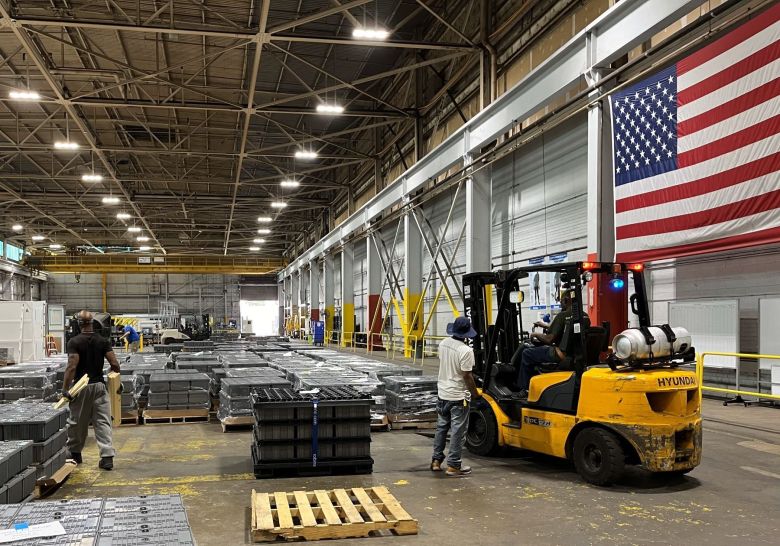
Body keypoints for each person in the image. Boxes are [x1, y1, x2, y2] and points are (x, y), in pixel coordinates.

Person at [64, 310, 120, 470]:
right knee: (103, 421)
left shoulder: (74, 342)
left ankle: (75, 453)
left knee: (77, 421)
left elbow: (71, 367)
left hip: (82, 387)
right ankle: (107, 456)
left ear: (79, 324)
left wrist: (65, 389)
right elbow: (114, 363)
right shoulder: (102, 341)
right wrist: (114, 379)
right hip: (100, 387)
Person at [431, 316, 481, 477]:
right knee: (458, 432)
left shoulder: (443, 343)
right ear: (466, 333)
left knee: (441, 428)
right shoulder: (466, 351)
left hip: (443, 393)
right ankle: (453, 466)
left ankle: (436, 461)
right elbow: (467, 375)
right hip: (458, 397)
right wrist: (475, 393)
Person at [517, 292, 574, 398]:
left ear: (566, 300)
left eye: (561, 301)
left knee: (526, 353)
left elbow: (549, 339)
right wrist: (546, 326)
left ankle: (525, 389)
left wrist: (535, 334)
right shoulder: (583, 315)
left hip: (560, 354)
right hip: (574, 354)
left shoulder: (562, 315)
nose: (560, 304)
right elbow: (565, 331)